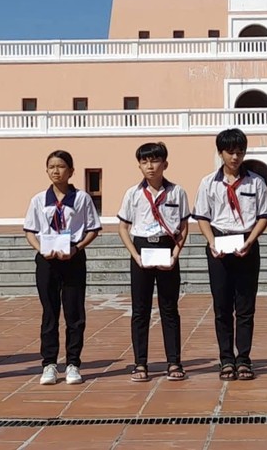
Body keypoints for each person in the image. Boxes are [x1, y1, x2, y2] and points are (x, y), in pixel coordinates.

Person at [193, 128, 267, 382]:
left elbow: (264, 216)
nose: (235, 157)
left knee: (246, 307)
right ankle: (226, 358)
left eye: (240, 152)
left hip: (246, 243)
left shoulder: (256, 182)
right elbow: (203, 217)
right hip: (219, 246)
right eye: (230, 152)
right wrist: (211, 242)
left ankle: (244, 359)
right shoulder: (208, 183)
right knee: (222, 307)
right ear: (220, 153)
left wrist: (250, 240)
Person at [23, 150, 101, 386]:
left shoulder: (81, 199)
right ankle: (48, 363)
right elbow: (30, 230)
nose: (56, 171)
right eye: (51, 167)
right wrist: (40, 249)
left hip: (73, 258)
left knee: (74, 313)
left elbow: (92, 229)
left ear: (71, 171)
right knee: (49, 312)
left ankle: (73, 363)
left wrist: (77, 249)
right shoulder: (38, 200)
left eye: (61, 166)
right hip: (47, 261)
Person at [117, 142, 191, 383]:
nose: (150, 166)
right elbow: (123, 226)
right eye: (144, 161)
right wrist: (135, 255)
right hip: (141, 250)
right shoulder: (133, 194)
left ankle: (174, 361)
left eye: (155, 160)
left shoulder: (177, 191)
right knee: (140, 310)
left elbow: (183, 226)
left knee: (170, 309)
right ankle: (140, 363)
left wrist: (175, 255)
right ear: (139, 165)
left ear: (165, 164)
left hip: (166, 249)